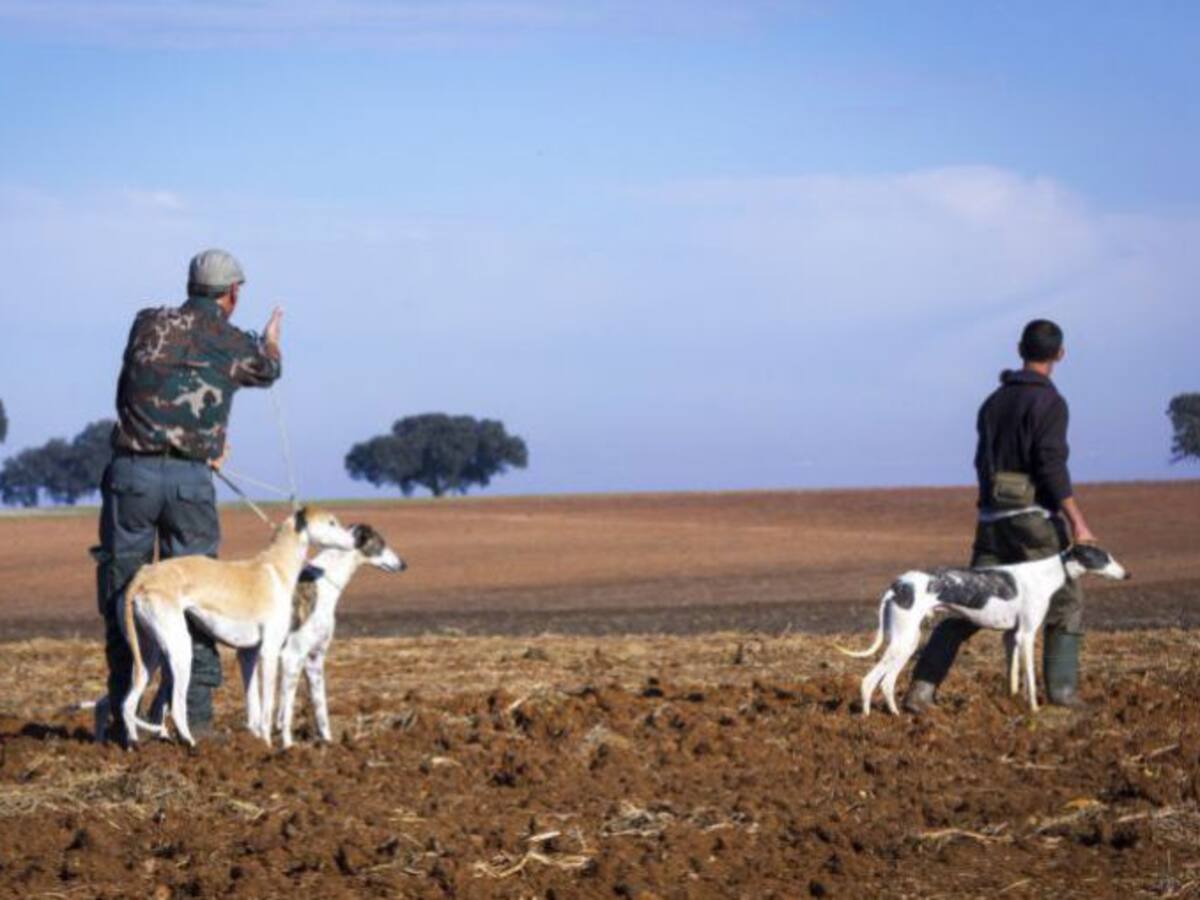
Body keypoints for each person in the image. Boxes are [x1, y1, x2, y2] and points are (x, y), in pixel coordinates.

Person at [94, 249, 283, 743]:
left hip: (130, 474)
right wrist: (271, 343)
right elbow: (266, 371)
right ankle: (191, 717)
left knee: (124, 591)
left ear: (190, 285)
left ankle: (123, 712)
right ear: (233, 293)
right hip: (189, 483)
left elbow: (129, 390)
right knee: (198, 591)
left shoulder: (146, 323)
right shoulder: (231, 340)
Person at [903, 319, 1097, 713]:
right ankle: (1061, 694)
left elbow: (980, 463)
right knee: (1066, 601)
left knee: (964, 605)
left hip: (991, 521)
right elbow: (1050, 465)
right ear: (1060, 354)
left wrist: (992, 505)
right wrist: (1077, 520)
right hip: (1033, 522)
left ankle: (921, 691)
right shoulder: (1050, 403)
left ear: (1019, 348)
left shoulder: (993, 403)